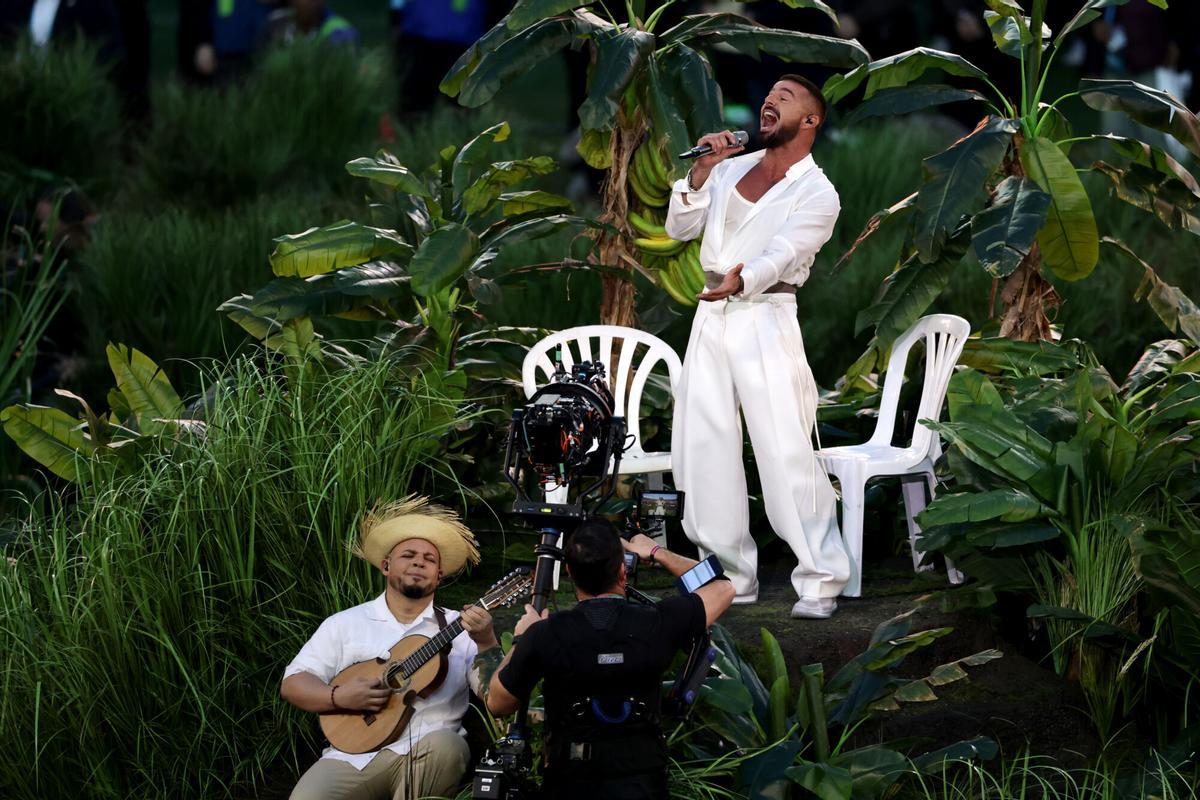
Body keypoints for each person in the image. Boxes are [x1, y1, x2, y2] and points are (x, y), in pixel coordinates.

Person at [665, 73, 851, 619]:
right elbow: (680, 227)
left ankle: (821, 580)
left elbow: (784, 252)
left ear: (810, 121)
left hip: (765, 316)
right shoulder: (731, 167)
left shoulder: (818, 192)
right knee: (705, 449)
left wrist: (742, 280)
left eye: (785, 98)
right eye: (768, 94)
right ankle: (729, 578)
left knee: (784, 450)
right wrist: (701, 171)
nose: (769, 101)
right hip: (711, 318)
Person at [480, 519, 735, 800]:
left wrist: (521, 639)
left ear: (569, 572)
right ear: (623, 570)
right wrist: (655, 552)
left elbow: (498, 703)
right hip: (642, 783)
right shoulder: (659, 621)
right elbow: (722, 587)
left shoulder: (544, 634)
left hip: (568, 783)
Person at [281, 496, 498, 800]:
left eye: (430, 559)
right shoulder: (345, 623)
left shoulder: (460, 630)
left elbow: (497, 701)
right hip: (350, 757)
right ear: (385, 565)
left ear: (439, 575)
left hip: (427, 753)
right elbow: (293, 684)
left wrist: (487, 641)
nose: (419, 562)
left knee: (447, 747)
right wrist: (339, 695)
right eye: (408, 554)